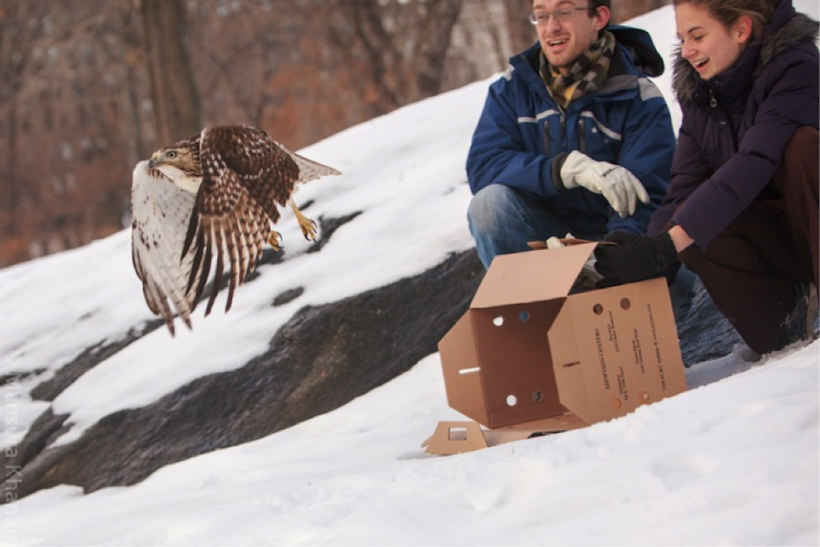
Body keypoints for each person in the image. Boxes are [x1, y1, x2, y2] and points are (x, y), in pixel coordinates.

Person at [595, 0, 820, 355]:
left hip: (808, 217)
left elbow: (754, 162)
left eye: (697, 36)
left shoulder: (795, 67)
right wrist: (651, 257)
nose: (687, 51)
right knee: (689, 214)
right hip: (780, 241)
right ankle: (784, 328)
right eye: (682, 39)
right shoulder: (702, 92)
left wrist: (669, 245)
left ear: (741, 29)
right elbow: (683, 185)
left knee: (803, 148)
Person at [466, 0, 695, 321]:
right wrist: (562, 170)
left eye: (563, 12)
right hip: (547, 247)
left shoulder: (637, 95)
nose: (551, 27)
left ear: (598, 17)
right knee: (489, 205)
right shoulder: (510, 90)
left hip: (616, 244)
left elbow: (648, 197)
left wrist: (613, 258)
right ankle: (534, 335)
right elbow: (484, 166)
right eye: (542, 15)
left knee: (689, 274)